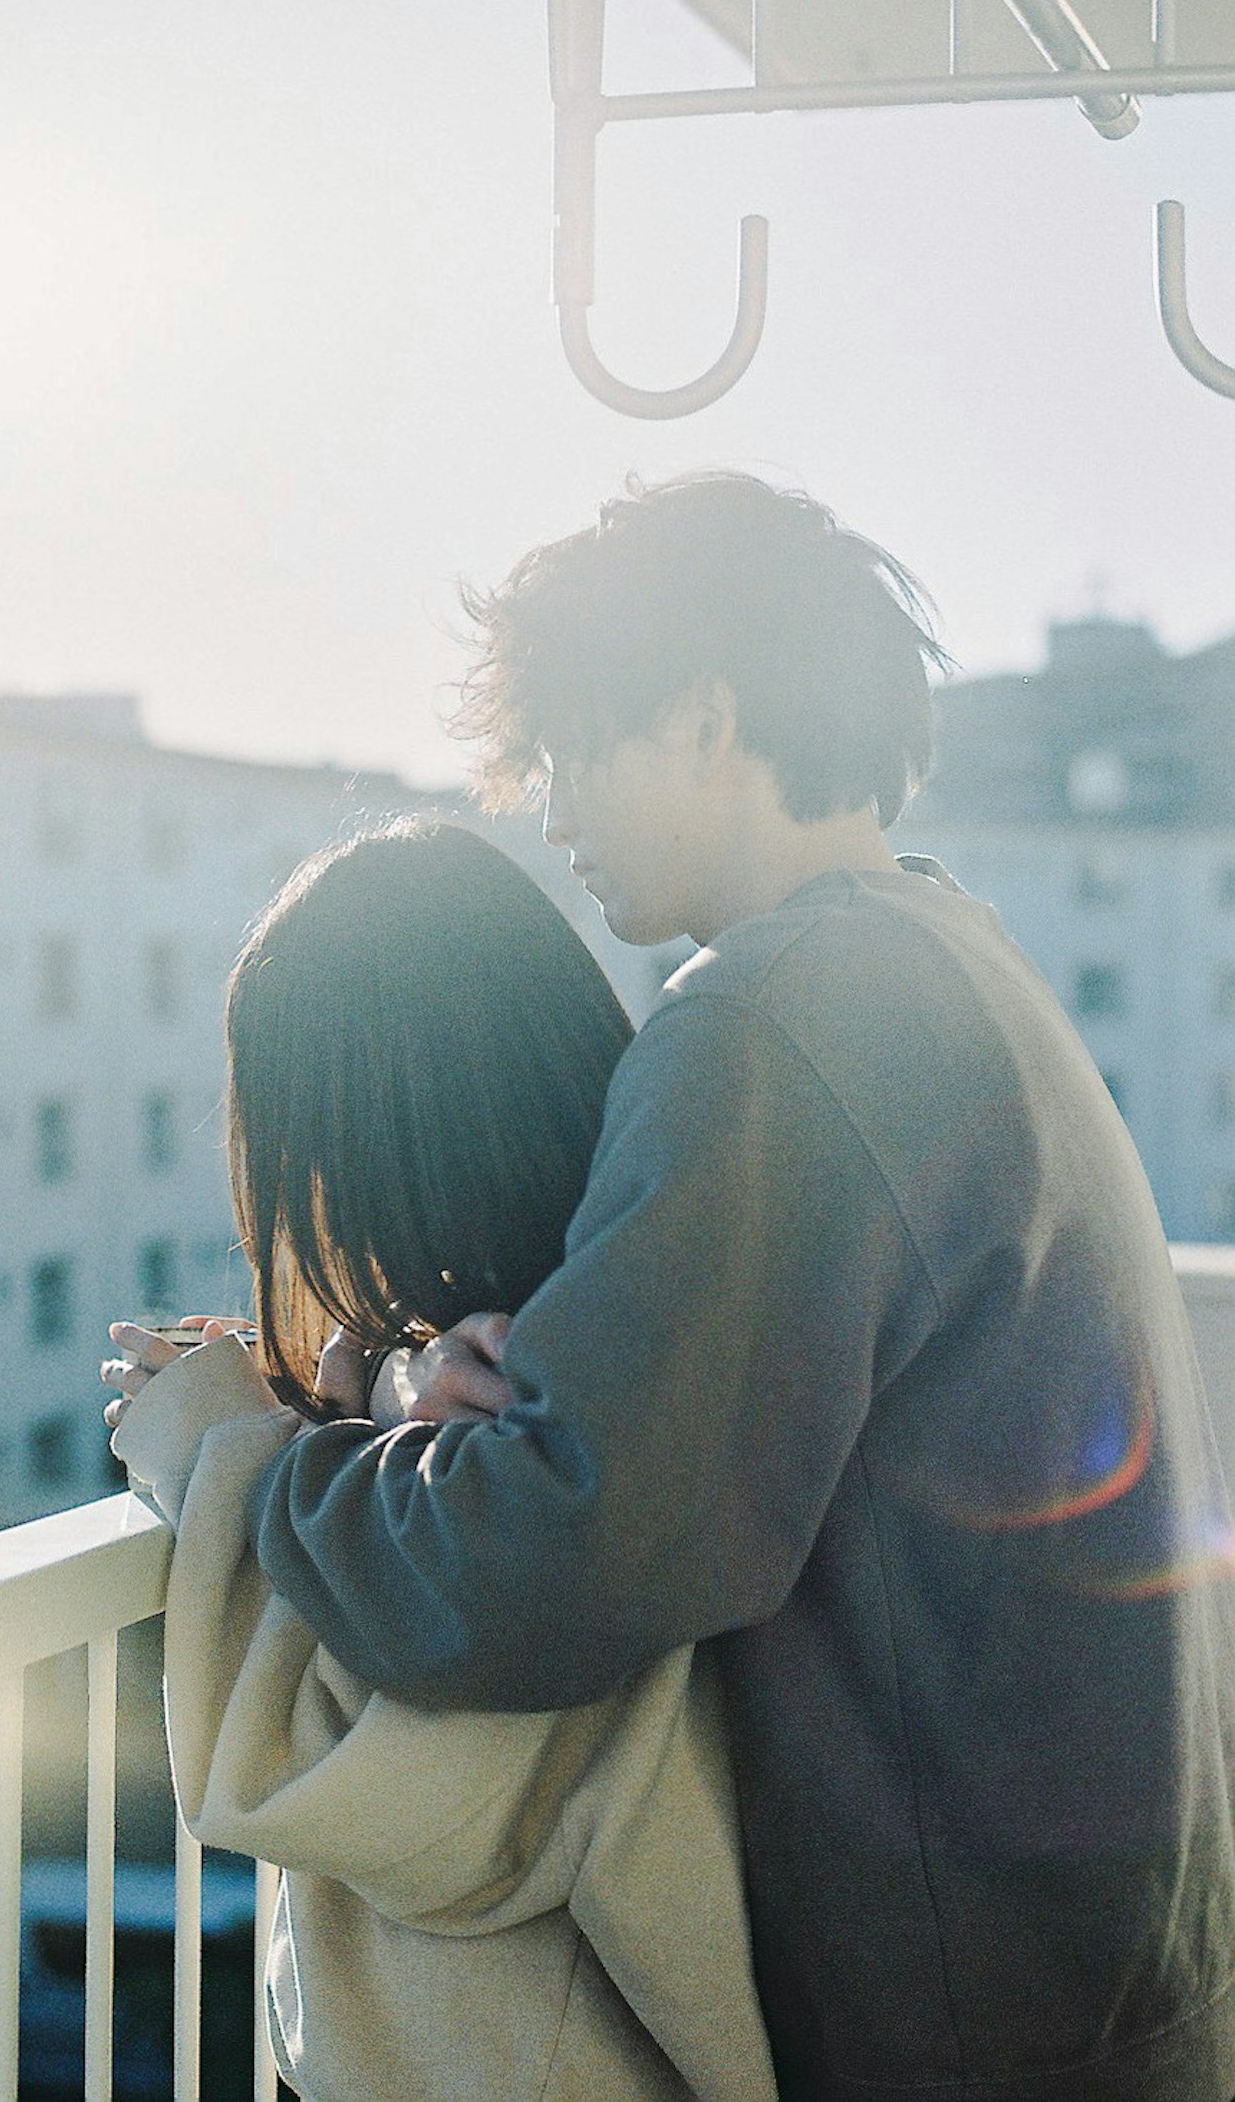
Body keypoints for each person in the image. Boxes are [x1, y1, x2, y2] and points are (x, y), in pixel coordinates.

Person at [242, 473, 1235, 2102]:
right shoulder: (943, 951)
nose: (545, 803)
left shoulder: (779, 1019)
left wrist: (286, 1452)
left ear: (704, 714)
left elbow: (546, 1570)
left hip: (968, 2030)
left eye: (568, 744)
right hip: (1103, 1978)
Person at [105, 819, 777, 2102]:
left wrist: (214, 1444)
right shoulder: (634, 1315)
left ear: (354, 1136)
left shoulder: (539, 1424)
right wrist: (372, 1384)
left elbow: (394, 1790)